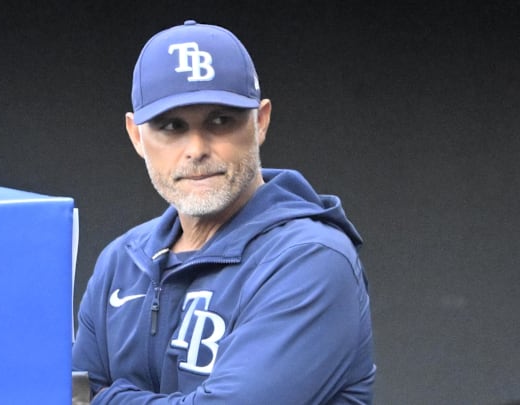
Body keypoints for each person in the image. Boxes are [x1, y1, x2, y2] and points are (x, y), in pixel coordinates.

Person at [72, 20, 376, 404]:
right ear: (136, 136)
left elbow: (80, 397)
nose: (197, 148)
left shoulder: (311, 259)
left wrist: (103, 400)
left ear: (260, 122)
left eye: (220, 120)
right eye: (171, 126)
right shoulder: (122, 260)